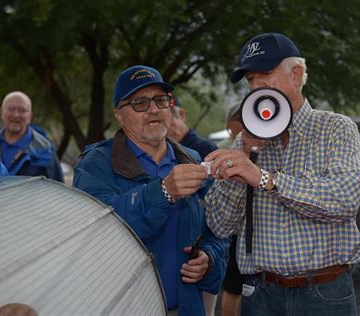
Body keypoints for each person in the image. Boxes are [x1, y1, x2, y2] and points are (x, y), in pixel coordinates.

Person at [204, 33, 360, 315]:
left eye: (265, 74)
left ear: (297, 74)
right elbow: (220, 225)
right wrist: (246, 156)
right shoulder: (245, 141)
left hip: (324, 292)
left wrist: (264, 178)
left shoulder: (336, 128)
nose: (257, 86)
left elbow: (344, 200)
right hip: (261, 294)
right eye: (251, 79)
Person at [73, 65, 227, 315]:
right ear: (119, 115)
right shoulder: (96, 164)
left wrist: (208, 261)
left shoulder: (192, 159)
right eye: (139, 102)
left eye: (160, 100)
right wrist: (163, 192)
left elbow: (218, 231)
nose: (153, 109)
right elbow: (97, 233)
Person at [167, 95, 219, 316]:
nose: (165, 126)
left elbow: (217, 208)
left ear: (182, 115)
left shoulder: (202, 149)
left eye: (169, 119)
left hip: (202, 254)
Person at [0, 91, 63, 182]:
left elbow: (58, 189)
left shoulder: (45, 150)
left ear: (30, 116)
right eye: (11, 109)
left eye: (22, 110)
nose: (16, 115)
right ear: (1, 112)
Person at [216, 103, 245, 316]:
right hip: (235, 230)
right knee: (233, 286)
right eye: (240, 120)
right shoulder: (227, 148)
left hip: (245, 229)